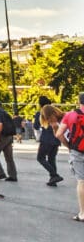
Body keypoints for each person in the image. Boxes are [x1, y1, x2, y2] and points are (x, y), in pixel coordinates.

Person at [52, 92, 84, 222]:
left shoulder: (71, 115)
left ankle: (82, 213)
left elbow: (59, 134)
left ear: (79, 102)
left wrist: (69, 146)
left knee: (81, 181)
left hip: (77, 151)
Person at [35, 97, 64, 186]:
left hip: (46, 139)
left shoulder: (40, 113)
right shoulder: (56, 112)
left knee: (40, 158)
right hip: (56, 139)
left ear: (40, 104)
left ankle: (54, 175)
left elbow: (36, 126)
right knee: (52, 159)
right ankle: (53, 179)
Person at [0, 100, 17, 182]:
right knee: (9, 157)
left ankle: (0, 172)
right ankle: (13, 175)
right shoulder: (4, 112)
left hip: (2, 136)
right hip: (9, 136)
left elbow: (0, 125)